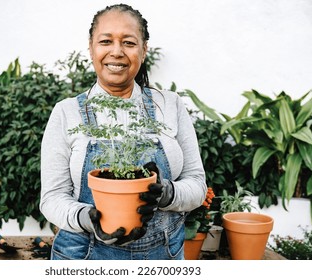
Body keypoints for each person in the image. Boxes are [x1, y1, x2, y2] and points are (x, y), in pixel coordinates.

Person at [40, 3, 207, 260]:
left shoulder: (170, 105)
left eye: (129, 43)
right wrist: (87, 218)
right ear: (91, 47)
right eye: (106, 41)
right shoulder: (67, 113)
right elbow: (51, 198)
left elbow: (197, 183)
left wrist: (166, 193)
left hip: (162, 257)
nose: (116, 52)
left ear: (144, 50)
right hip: (83, 256)